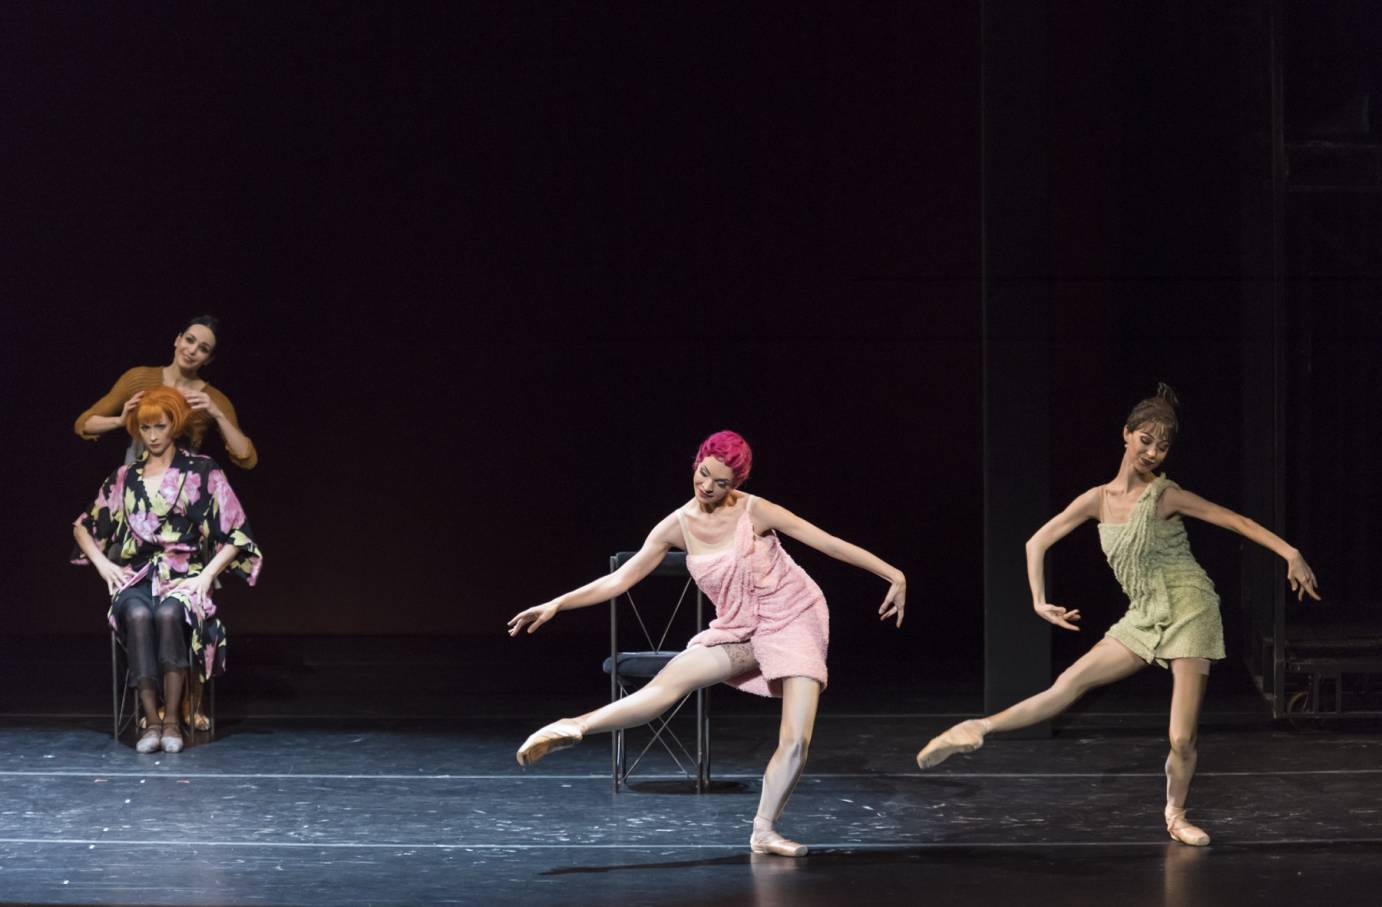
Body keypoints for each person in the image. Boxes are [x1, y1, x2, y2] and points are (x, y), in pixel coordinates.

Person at [915, 384, 1320, 846]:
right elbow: (1036, 542)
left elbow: (1232, 520)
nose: (1153, 452)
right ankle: (977, 728)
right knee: (1068, 684)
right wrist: (1037, 599)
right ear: (1126, 436)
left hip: (1191, 608)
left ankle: (1175, 814)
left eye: (1163, 446)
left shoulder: (1166, 496)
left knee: (1181, 738)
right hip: (1143, 614)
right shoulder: (1097, 499)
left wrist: (1290, 552)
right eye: (1145, 440)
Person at [508, 430, 907, 857]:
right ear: (696, 463)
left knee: (795, 739)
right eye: (704, 476)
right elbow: (619, 580)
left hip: (794, 618)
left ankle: (764, 831)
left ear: (736, 483)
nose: (708, 488)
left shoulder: (757, 511)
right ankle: (575, 726)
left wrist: (893, 574)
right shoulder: (675, 525)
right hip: (739, 627)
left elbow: (826, 542)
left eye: (722, 483)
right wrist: (556, 603)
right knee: (667, 684)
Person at [72, 386, 262, 753]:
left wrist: (206, 576)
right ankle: (151, 722)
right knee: (139, 613)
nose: (153, 436)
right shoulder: (126, 477)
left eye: (160, 426)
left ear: (174, 425)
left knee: (171, 613)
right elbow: (83, 525)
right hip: (138, 576)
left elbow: (237, 533)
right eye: (146, 429)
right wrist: (104, 564)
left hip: (184, 576)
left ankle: (173, 719)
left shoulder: (202, 471)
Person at [74, 314, 258, 469]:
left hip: (180, 493)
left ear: (208, 359)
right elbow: (84, 424)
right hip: (136, 488)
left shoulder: (212, 399)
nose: (192, 350)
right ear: (177, 339)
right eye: (189, 340)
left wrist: (217, 413)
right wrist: (120, 421)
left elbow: (247, 458)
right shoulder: (138, 377)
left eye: (203, 349)